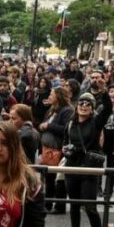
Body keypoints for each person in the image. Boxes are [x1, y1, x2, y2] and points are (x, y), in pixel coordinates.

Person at [63, 92, 109, 227]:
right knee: (74, 204)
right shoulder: (70, 124)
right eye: (81, 103)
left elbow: (108, 109)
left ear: (92, 108)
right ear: (76, 107)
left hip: (89, 169)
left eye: (88, 104)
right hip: (72, 167)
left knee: (90, 207)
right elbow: (64, 143)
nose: (84, 106)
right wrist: (66, 150)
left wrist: (103, 90)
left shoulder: (95, 123)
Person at [38, 86, 73, 214]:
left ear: (58, 96)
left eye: (51, 94)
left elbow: (66, 129)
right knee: (48, 178)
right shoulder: (52, 110)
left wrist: (49, 126)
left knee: (58, 179)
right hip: (48, 149)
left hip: (58, 149)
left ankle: (59, 206)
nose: (49, 96)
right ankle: (47, 204)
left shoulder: (67, 111)